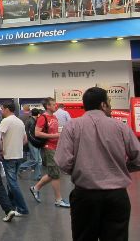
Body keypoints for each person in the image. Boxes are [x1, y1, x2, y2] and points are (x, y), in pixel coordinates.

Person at [55, 87, 140, 241]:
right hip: (117, 197)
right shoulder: (121, 127)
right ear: (103, 105)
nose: (110, 105)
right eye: (109, 102)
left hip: (84, 196)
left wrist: (81, 170)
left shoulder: (72, 126)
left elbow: (62, 161)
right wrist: (123, 168)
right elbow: (138, 157)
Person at [29, 98, 70, 208]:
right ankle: (58, 199)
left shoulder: (54, 117)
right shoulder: (43, 118)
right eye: (53, 104)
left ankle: (36, 188)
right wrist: (55, 136)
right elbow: (37, 133)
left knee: (53, 173)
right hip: (48, 148)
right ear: (47, 106)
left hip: (56, 147)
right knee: (55, 173)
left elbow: (54, 131)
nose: (55, 106)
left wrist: (59, 134)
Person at [0, 102, 29, 217]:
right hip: (18, 155)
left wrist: (1, 150)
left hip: (9, 156)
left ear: (7, 109)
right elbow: (25, 139)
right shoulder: (19, 121)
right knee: (11, 183)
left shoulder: (5, 121)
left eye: (2, 109)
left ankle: (23, 208)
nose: (1, 111)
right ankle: (12, 207)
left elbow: (0, 138)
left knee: (12, 183)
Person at [19, 108, 43, 180]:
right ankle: (20, 167)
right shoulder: (31, 121)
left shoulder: (32, 121)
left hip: (35, 142)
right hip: (33, 142)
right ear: (38, 114)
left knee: (38, 160)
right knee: (36, 160)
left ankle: (37, 176)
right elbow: (30, 134)